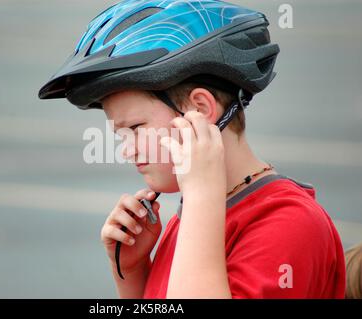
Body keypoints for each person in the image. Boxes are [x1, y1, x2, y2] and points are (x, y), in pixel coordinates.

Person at [38, 0, 346, 298]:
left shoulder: (289, 225)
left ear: (198, 109)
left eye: (135, 128)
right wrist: (133, 273)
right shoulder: (199, 214)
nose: (126, 151)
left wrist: (200, 196)